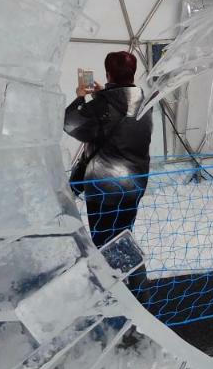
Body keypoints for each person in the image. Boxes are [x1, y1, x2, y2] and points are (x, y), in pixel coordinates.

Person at [65, 51, 153, 257]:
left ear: (108, 74)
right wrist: (102, 94)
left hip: (104, 188)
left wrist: (81, 96)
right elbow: (121, 116)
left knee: (103, 242)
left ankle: (114, 282)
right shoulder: (145, 103)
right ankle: (134, 283)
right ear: (134, 72)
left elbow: (70, 124)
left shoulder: (101, 106)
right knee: (123, 236)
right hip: (134, 184)